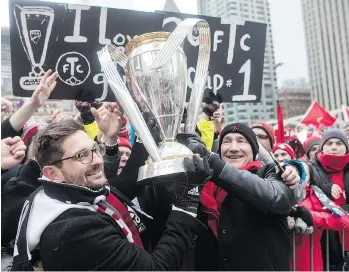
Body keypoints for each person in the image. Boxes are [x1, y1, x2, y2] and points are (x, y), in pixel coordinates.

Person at [11, 119, 210, 271]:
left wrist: (145, 135)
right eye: (81, 156)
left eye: (94, 150)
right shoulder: (74, 230)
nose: (97, 160)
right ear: (52, 173)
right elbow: (155, 268)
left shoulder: (65, 193)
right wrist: (186, 203)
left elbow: (122, 186)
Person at [192, 123, 298, 271]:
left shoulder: (272, 174)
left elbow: (275, 198)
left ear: (254, 150)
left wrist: (214, 164)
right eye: (227, 141)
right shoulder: (205, 183)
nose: (233, 148)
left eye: (241, 141)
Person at [307, 128, 349, 270]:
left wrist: (342, 211)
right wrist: (324, 189)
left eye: (339, 143)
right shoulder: (311, 168)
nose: (334, 147)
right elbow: (306, 192)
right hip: (325, 239)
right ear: (322, 147)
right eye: (329, 143)